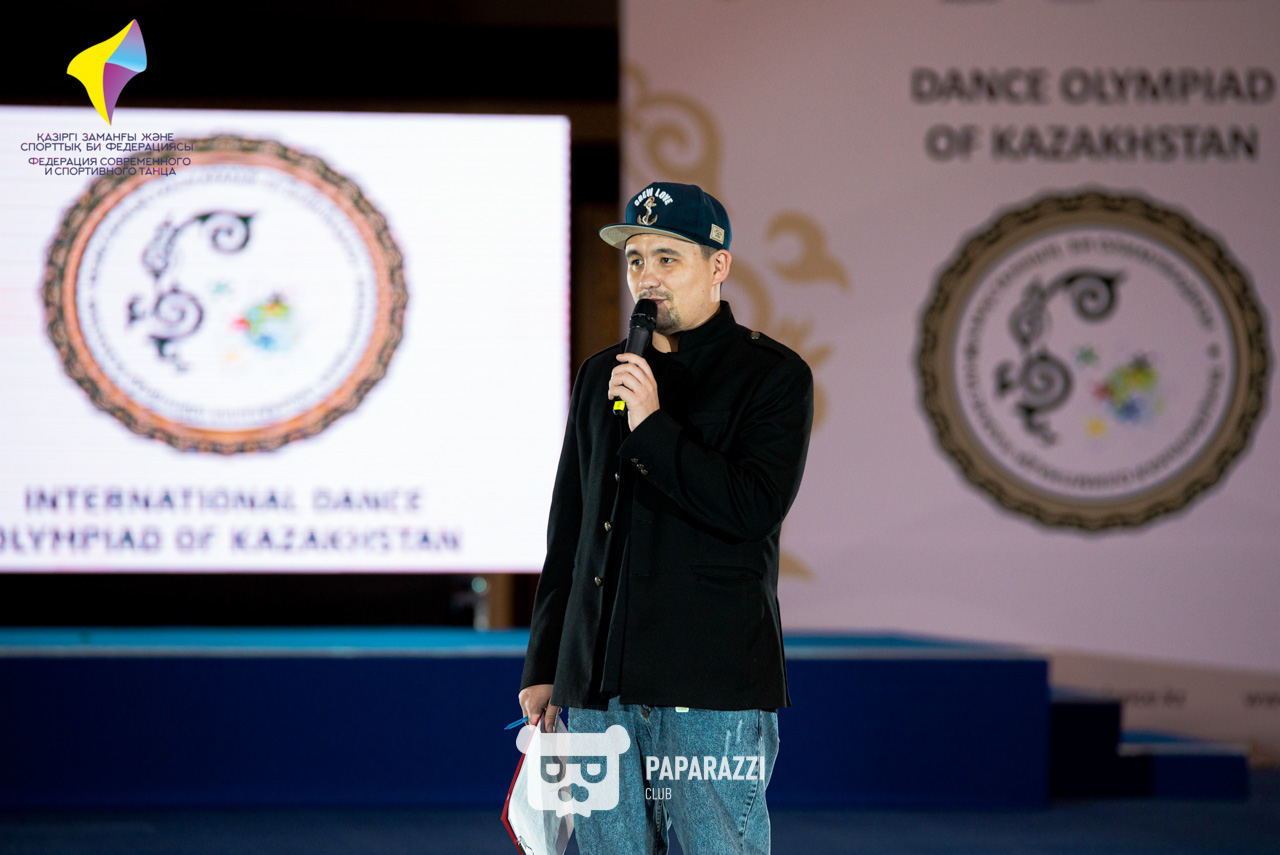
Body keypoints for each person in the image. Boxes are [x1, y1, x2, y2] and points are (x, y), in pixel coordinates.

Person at [518, 181, 813, 854]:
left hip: (709, 688)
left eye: (667, 258)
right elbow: (571, 529)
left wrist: (652, 426)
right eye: (635, 260)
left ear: (718, 265)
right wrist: (548, 661)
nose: (646, 276)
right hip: (598, 687)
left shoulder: (771, 375)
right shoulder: (602, 374)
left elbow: (752, 507)